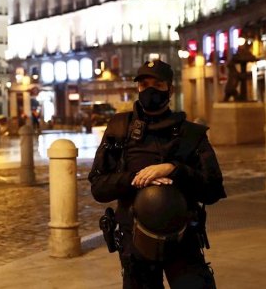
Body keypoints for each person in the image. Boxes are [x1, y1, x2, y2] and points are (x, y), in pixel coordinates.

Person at [88, 60, 226, 289]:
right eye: (144, 84)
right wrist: (138, 177)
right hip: (135, 242)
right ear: (138, 88)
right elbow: (99, 187)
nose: (150, 90)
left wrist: (175, 169)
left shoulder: (191, 134)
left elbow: (213, 188)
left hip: (183, 240)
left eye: (158, 84)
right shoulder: (119, 129)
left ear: (170, 89)